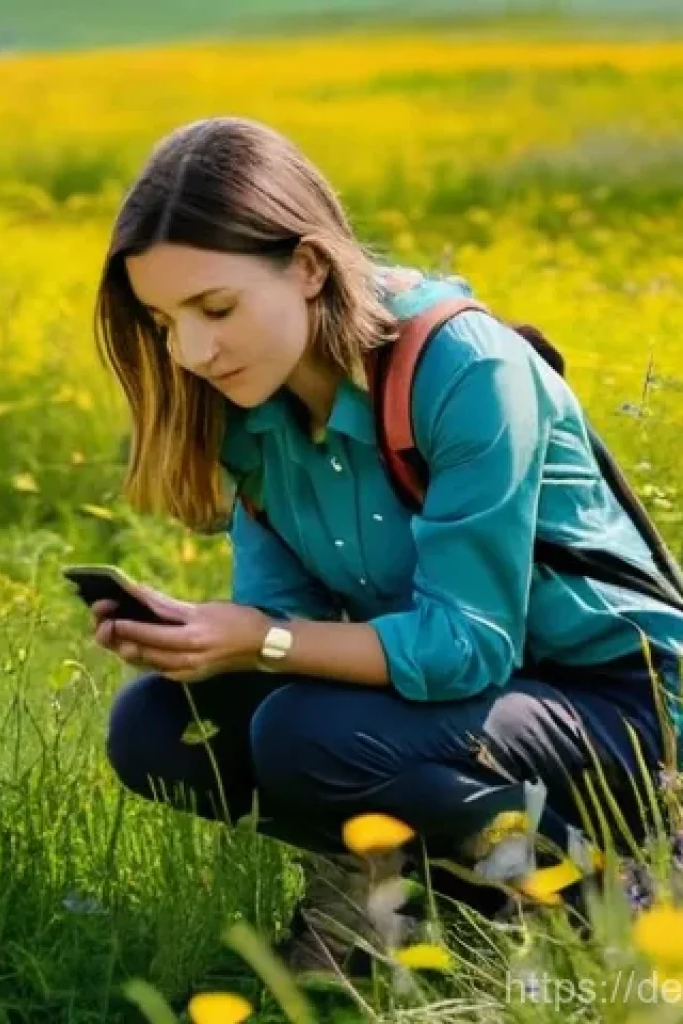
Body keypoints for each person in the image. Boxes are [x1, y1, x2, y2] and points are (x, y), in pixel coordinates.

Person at [87, 115, 683, 977]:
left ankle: (616, 908)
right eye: (164, 319)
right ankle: (430, 895)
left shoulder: (466, 370)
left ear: (308, 266)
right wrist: (199, 640)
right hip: (476, 701)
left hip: (620, 700)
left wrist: (261, 640)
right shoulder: (250, 409)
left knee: (309, 735)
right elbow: (285, 618)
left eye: (215, 308)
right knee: (156, 729)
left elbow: (468, 646)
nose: (192, 351)